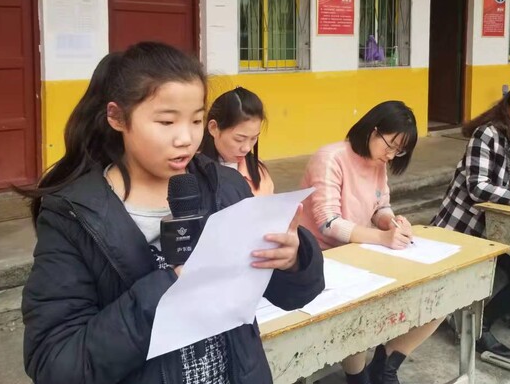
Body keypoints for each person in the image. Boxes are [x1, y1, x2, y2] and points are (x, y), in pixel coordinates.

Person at [21, 41, 324, 384]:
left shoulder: (225, 187)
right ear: (117, 117)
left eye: (196, 120)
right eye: (166, 122)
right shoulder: (76, 217)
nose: (186, 139)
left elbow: (295, 294)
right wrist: (169, 290)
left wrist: (293, 259)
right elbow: (56, 363)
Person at [300, 101, 440, 384]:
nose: (391, 155)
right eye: (390, 145)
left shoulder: (378, 162)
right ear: (372, 131)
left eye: (399, 150)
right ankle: (357, 374)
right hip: (320, 255)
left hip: (357, 251)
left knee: (435, 289)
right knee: (359, 311)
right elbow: (328, 222)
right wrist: (382, 238)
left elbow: (380, 206)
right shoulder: (331, 158)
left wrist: (391, 222)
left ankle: (385, 363)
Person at [431, 83, 510, 359]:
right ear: (508, 107)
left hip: (504, 225)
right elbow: (478, 187)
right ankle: (475, 328)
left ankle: (485, 319)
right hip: (466, 226)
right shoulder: (487, 134)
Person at [199, 87, 275, 196]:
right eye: (239, 139)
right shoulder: (193, 171)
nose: (247, 148)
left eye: (254, 138)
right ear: (213, 128)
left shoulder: (258, 170)